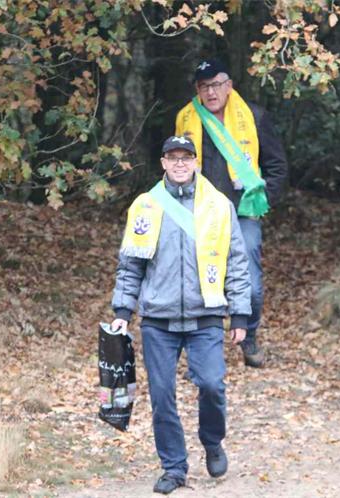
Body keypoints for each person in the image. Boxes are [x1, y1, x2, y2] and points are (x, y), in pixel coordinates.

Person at [111, 135, 251, 494]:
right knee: (162, 396)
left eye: (186, 157)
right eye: (172, 157)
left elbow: (237, 262)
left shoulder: (219, 205)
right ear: (162, 163)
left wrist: (239, 314)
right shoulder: (146, 205)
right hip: (158, 319)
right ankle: (174, 468)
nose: (179, 164)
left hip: (206, 316)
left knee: (212, 384)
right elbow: (130, 265)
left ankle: (212, 441)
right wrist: (123, 310)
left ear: (195, 162)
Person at [175, 58, 288, 368]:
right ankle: (202, 351)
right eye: (204, 87)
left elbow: (277, 166)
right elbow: (176, 166)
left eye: (216, 85)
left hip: (242, 213)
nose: (211, 93)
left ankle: (249, 336)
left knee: (250, 284)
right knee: (197, 283)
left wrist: (263, 201)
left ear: (229, 86)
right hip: (199, 213)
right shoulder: (186, 119)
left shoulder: (254, 116)